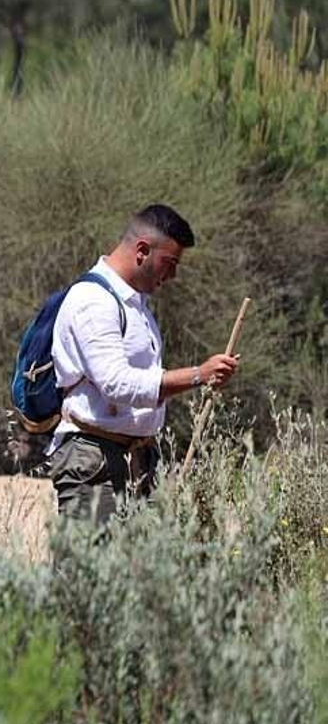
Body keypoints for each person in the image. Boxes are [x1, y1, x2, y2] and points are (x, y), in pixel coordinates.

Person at [48, 204, 240, 524]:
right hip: (93, 461)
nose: (173, 275)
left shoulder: (137, 308)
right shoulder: (93, 301)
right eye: (170, 263)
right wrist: (197, 375)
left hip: (137, 464)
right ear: (142, 250)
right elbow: (116, 383)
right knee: (90, 573)